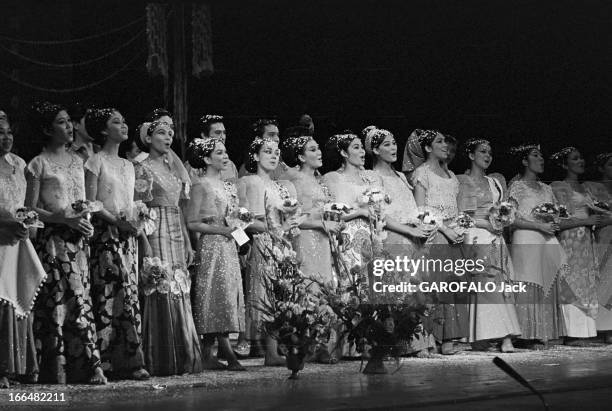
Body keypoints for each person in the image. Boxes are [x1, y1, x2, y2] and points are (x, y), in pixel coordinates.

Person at [25, 102, 106, 384]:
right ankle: (61, 367)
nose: (69, 126)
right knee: (61, 301)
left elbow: (82, 199)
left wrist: (85, 220)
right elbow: (31, 209)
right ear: (48, 129)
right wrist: (62, 219)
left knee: (81, 300)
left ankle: (85, 365)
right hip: (53, 240)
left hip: (78, 240)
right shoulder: (38, 163)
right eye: (61, 122)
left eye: (69, 121)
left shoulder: (77, 161)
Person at [84, 108, 150, 379]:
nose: (123, 125)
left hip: (127, 236)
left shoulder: (127, 165)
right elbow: (91, 203)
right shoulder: (94, 161)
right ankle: (105, 359)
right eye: (116, 122)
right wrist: (116, 222)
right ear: (103, 130)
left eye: (124, 121)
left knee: (129, 295)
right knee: (107, 294)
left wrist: (139, 225)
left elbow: (130, 202)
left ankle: (132, 360)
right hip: (104, 234)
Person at [134, 120, 202, 375]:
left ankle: (183, 352)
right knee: (160, 286)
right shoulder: (141, 167)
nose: (168, 137)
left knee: (180, 286)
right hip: (155, 230)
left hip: (175, 227)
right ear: (148, 138)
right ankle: (161, 356)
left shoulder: (172, 168)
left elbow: (179, 208)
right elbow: (138, 209)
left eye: (171, 133)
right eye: (161, 133)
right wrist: (144, 243)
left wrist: (186, 240)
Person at [366, 127, 437, 356]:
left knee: (418, 288)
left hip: (413, 237)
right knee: (398, 290)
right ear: (375, 150)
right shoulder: (372, 177)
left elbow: (412, 207)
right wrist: (408, 230)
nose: (393, 147)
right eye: (386, 144)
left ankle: (420, 341)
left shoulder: (399, 176)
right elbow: (380, 213)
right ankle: (401, 342)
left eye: (394, 142)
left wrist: (422, 224)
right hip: (394, 237)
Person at [185, 138, 246, 371]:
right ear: (207, 158)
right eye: (219, 152)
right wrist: (223, 230)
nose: (225, 156)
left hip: (229, 246)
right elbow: (192, 222)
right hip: (212, 245)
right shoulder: (201, 185)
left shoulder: (229, 186)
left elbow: (236, 220)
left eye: (225, 151)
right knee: (215, 294)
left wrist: (242, 240)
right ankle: (227, 353)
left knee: (227, 295)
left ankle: (208, 352)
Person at [237, 137, 298, 365]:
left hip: (282, 242)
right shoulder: (252, 182)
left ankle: (275, 347)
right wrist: (278, 228)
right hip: (265, 242)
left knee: (281, 294)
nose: (274, 156)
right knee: (266, 295)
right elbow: (250, 220)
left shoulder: (280, 185)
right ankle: (269, 351)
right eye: (267, 152)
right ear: (254, 156)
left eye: (276, 152)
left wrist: (289, 224)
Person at [456, 138, 521, 352]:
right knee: (484, 286)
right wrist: (489, 224)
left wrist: (503, 220)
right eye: (482, 151)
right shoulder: (464, 180)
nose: (487, 156)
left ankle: (504, 334)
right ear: (471, 155)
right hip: (477, 235)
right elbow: (464, 216)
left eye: (490, 152)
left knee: (501, 284)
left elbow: (501, 209)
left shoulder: (494, 181)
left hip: (496, 235)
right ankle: (491, 335)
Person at [412, 130, 468, 355]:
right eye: (439, 142)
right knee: (436, 285)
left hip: (453, 237)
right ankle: (432, 336)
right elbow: (420, 209)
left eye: (446, 141)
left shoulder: (451, 176)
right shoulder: (422, 173)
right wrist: (444, 229)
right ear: (427, 148)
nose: (445, 145)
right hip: (435, 235)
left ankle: (449, 337)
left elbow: (456, 208)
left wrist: (460, 227)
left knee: (452, 285)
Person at [0, 118, 46, 388]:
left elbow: (27, 205)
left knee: (17, 296)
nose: (6, 138)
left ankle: (18, 366)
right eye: (0, 134)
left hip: (17, 240)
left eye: (9, 133)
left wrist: (27, 223)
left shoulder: (19, 164)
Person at [507, 144, 565, 348]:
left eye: (542, 156)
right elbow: (511, 218)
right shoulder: (516, 186)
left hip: (546, 237)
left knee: (547, 281)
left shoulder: (547, 188)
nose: (541, 159)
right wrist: (538, 225)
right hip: (526, 236)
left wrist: (553, 222)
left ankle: (544, 332)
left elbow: (557, 213)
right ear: (525, 162)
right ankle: (526, 334)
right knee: (528, 282)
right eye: (535, 155)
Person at [550, 147, 602, 344]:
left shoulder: (585, 187)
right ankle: (572, 332)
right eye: (575, 159)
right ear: (564, 164)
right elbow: (560, 221)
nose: (581, 161)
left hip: (586, 238)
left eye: (581, 158)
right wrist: (585, 222)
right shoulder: (559, 186)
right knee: (571, 280)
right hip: (571, 237)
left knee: (586, 280)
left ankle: (585, 331)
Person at [584, 152, 612, 341]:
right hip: (603, 236)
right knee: (605, 281)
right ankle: (605, 328)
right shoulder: (590, 187)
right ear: (601, 167)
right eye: (610, 165)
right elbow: (591, 215)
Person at [186, 114, 239, 183]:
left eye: (224, 133)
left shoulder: (230, 165)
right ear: (204, 136)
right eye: (218, 133)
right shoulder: (193, 166)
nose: (223, 137)